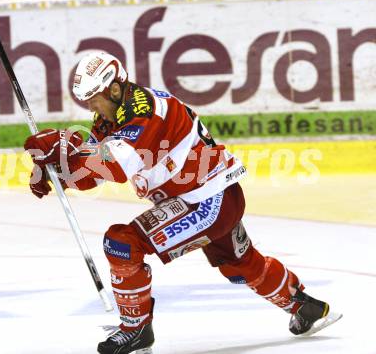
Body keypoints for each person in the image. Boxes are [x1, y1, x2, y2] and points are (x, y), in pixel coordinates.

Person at [24, 52, 342, 354]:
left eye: (96, 98)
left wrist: (68, 148)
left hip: (206, 200)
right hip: (213, 195)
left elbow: (116, 166)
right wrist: (54, 169)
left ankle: (136, 328)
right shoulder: (110, 118)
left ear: (116, 88)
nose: (93, 106)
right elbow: (90, 175)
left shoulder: (145, 109)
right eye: (88, 100)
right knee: (239, 263)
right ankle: (307, 307)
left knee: (122, 243)